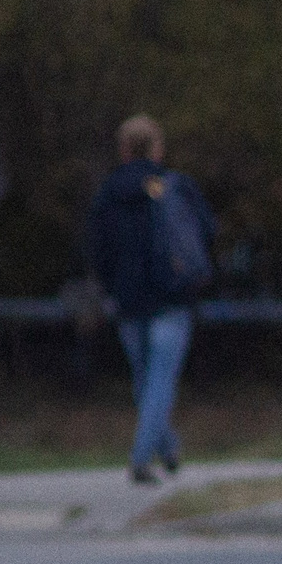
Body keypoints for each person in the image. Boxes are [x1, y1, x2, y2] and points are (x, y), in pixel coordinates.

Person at [86, 115, 215, 484]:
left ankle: (168, 448)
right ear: (157, 148)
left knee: (145, 379)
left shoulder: (109, 192)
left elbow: (96, 248)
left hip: (128, 302)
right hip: (172, 299)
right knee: (160, 378)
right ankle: (143, 457)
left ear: (124, 150)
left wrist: (111, 286)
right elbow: (206, 230)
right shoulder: (177, 187)